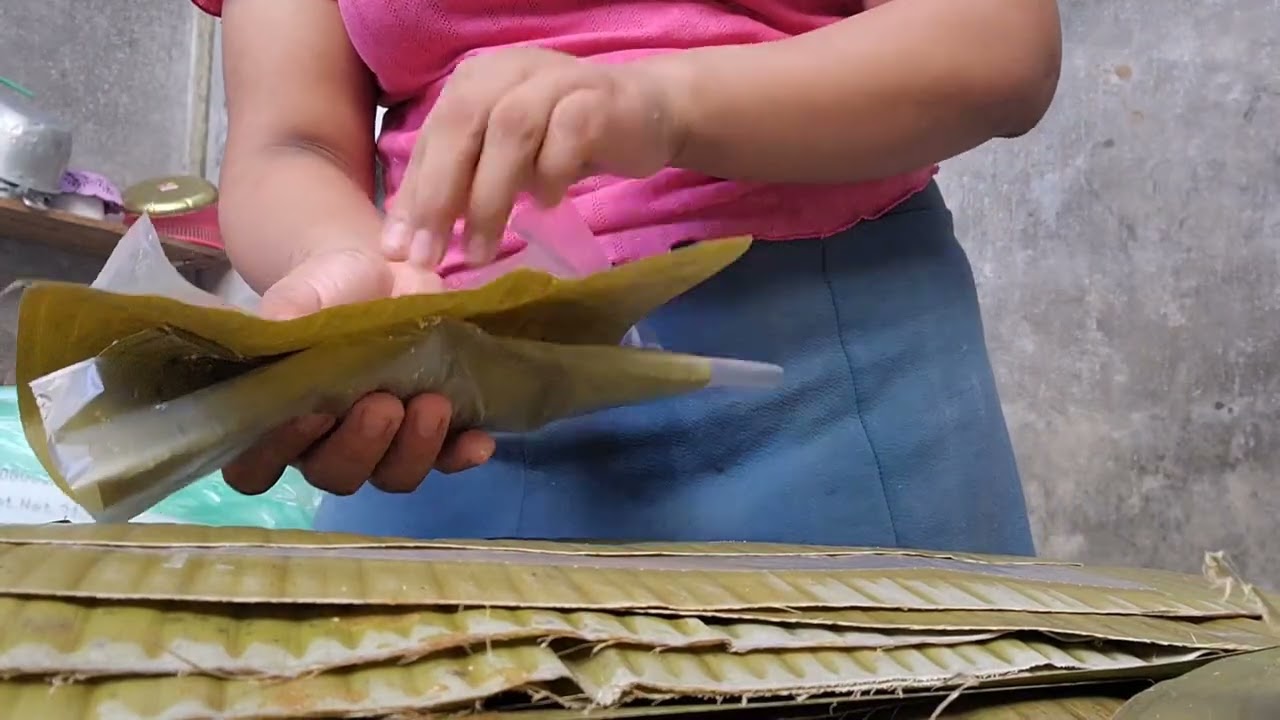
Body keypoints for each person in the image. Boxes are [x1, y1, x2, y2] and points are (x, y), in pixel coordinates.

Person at [195, 0, 1061, 553]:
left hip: (833, 376)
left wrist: (662, 105)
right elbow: (291, 143)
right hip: (443, 409)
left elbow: (999, 41)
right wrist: (360, 283)